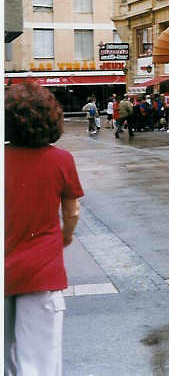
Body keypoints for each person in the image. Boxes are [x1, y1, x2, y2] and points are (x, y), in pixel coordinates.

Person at [5, 81, 84, 375]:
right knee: (38, 362)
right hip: (41, 270)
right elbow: (72, 211)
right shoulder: (61, 160)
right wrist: (65, 237)